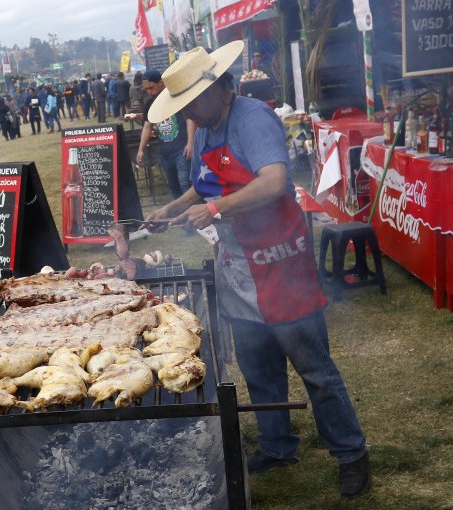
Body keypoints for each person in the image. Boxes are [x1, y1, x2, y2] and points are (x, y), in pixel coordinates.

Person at [144, 42, 370, 499]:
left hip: (279, 263)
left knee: (314, 368)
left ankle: (351, 453)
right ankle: (277, 443)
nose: (188, 112)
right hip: (238, 267)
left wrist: (216, 208)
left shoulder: (252, 118)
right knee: (257, 365)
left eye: (191, 102)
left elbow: (275, 181)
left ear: (216, 90)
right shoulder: (207, 126)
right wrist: (173, 207)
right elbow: (203, 184)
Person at [134, 69, 196, 199]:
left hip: (181, 149)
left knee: (185, 184)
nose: (149, 92)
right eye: (147, 90)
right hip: (165, 152)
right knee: (173, 187)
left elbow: (189, 119)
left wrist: (190, 142)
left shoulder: (175, 97)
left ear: (161, 83)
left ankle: (191, 215)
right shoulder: (150, 103)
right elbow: (147, 126)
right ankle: (178, 216)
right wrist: (141, 149)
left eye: (152, 87)